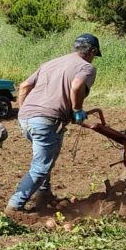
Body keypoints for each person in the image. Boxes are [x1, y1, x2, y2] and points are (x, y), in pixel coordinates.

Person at [7, 33, 100, 213]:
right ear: (92, 51)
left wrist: (24, 111)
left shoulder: (51, 63)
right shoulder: (86, 67)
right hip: (46, 120)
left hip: (26, 117)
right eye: (95, 54)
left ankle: (44, 194)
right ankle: (14, 207)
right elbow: (76, 86)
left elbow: (25, 85)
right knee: (41, 166)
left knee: (46, 157)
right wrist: (77, 109)